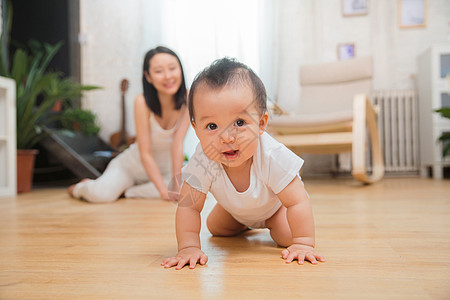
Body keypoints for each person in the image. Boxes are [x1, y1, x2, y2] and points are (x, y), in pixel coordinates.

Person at [162, 58, 325, 270]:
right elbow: (189, 207)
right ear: (195, 128)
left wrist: (303, 242)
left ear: (261, 124)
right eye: (212, 126)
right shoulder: (203, 158)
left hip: (274, 211)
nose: (227, 137)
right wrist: (188, 247)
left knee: (286, 236)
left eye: (239, 123)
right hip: (234, 211)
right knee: (215, 227)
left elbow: (297, 201)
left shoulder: (271, 156)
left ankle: (271, 224)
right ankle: (241, 218)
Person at [68, 46, 190, 203]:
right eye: (159, 71)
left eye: (172, 68)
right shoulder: (142, 102)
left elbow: (177, 144)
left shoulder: (188, 98)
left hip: (164, 170)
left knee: (193, 186)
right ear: (148, 76)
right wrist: (163, 192)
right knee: (101, 196)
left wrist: (176, 187)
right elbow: (144, 152)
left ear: (180, 69)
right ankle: (82, 187)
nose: (168, 76)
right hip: (131, 167)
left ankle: (127, 191)